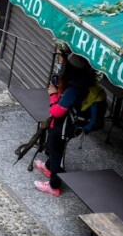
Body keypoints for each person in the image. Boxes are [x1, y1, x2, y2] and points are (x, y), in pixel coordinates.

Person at [34, 53, 95, 196]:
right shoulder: (83, 82)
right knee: (54, 148)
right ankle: (48, 167)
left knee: (57, 154)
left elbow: (57, 112)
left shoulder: (74, 88)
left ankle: (54, 186)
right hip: (67, 125)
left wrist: (53, 95)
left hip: (64, 126)